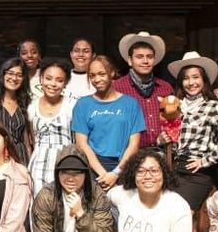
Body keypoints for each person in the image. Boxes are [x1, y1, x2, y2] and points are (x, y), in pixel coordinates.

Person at [162, 51, 218, 232]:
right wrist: (163, 139)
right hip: (173, 168)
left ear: (204, 80)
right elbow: (168, 137)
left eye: (196, 77)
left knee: (183, 216)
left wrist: (206, 160)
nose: (190, 82)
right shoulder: (175, 105)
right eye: (185, 78)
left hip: (197, 172)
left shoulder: (212, 106)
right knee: (181, 221)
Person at [72, 54, 144, 191]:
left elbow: (134, 144)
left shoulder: (131, 104)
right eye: (92, 76)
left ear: (111, 73)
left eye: (101, 74)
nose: (97, 79)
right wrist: (103, 174)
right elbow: (82, 143)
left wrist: (116, 173)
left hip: (123, 165)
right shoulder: (83, 104)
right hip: (94, 167)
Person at [114, 31, 174, 149]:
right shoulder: (117, 88)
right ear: (130, 60)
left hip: (160, 154)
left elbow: (173, 122)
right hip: (127, 155)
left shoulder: (165, 88)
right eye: (139, 57)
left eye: (149, 57)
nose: (145, 61)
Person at [27, 58, 75, 190]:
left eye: (59, 80)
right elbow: (33, 140)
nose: (53, 84)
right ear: (41, 79)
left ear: (65, 83)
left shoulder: (72, 105)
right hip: (37, 167)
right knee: (38, 207)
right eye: (48, 78)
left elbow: (78, 141)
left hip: (66, 165)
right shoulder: (32, 106)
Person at [0, 58, 33, 165]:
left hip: (21, 156)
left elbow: (26, 138)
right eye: (10, 73)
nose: (14, 78)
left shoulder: (25, 101)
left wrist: (29, 164)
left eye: (19, 75)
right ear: (2, 75)